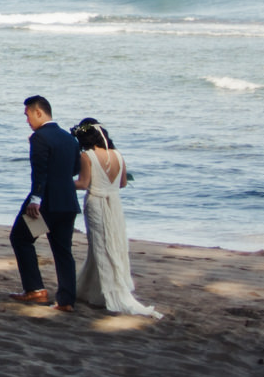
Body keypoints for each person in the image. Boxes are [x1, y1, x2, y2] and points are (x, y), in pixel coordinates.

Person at [72, 118, 162, 318]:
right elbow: (122, 183)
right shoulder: (119, 155)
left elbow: (83, 183)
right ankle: (95, 291)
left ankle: (107, 293)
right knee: (113, 243)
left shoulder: (88, 156)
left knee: (100, 247)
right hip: (114, 203)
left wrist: (61, 182)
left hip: (96, 202)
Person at [10, 94, 80, 309]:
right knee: (63, 251)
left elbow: (39, 171)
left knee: (20, 238)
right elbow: (75, 169)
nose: (27, 121)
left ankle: (35, 289)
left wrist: (35, 199)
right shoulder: (70, 139)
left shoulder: (40, 137)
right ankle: (66, 300)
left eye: (28, 115)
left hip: (45, 204)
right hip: (68, 202)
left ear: (39, 112)